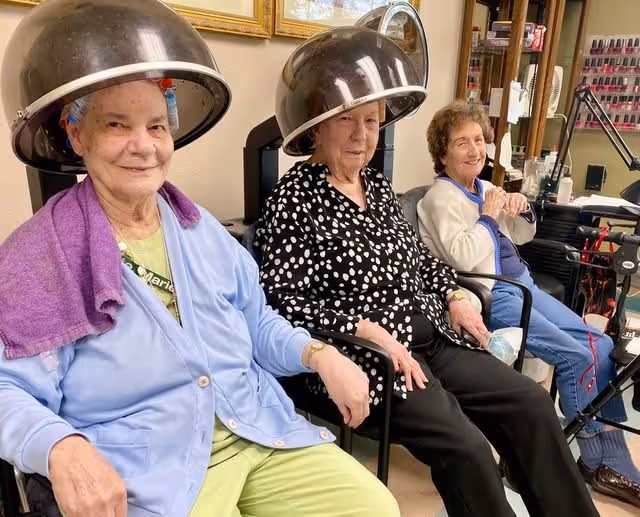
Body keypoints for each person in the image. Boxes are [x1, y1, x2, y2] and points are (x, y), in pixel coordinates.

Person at [0, 3, 401, 517]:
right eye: (117, 125)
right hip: (150, 471)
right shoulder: (40, 258)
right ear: (78, 135)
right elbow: (9, 387)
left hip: (255, 432)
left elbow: (256, 321)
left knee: (374, 508)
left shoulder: (200, 229)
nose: (143, 146)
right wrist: (60, 446)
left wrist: (318, 354)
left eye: (156, 126)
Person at [256, 26, 599, 517]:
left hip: (431, 337)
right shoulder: (293, 200)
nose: (361, 135)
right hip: (371, 357)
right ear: (316, 126)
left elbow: (418, 260)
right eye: (347, 121)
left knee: (531, 404)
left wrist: (456, 294)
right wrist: (360, 327)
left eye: (372, 122)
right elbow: (282, 302)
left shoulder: (375, 186)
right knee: (468, 449)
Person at [418, 99, 640, 508]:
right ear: (442, 151)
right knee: (577, 356)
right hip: (493, 294)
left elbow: (519, 238)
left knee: (602, 344)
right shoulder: (440, 199)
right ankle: (594, 458)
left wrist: (522, 209)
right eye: (461, 142)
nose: (474, 150)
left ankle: (608, 452)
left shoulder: (483, 188)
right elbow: (463, 258)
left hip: (522, 282)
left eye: (479, 140)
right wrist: (487, 216)